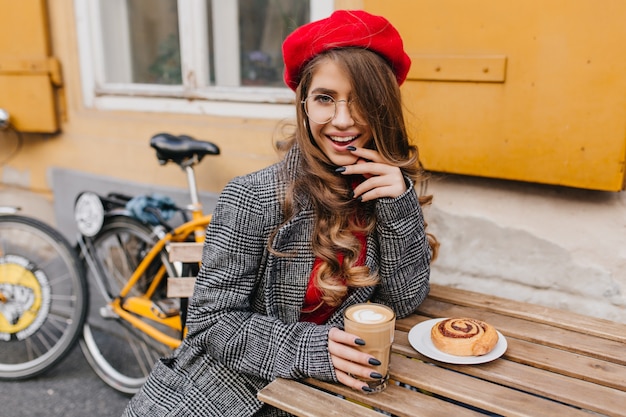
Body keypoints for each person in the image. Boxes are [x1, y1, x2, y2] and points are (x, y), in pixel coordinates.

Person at [123, 9, 438, 417]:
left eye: (361, 100)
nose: (343, 120)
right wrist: (310, 347)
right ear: (304, 104)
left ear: (383, 106)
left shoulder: (385, 191)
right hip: (222, 397)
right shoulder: (253, 197)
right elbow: (209, 323)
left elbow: (404, 300)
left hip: (321, 400)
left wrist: (400, 204)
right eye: (325, 98)